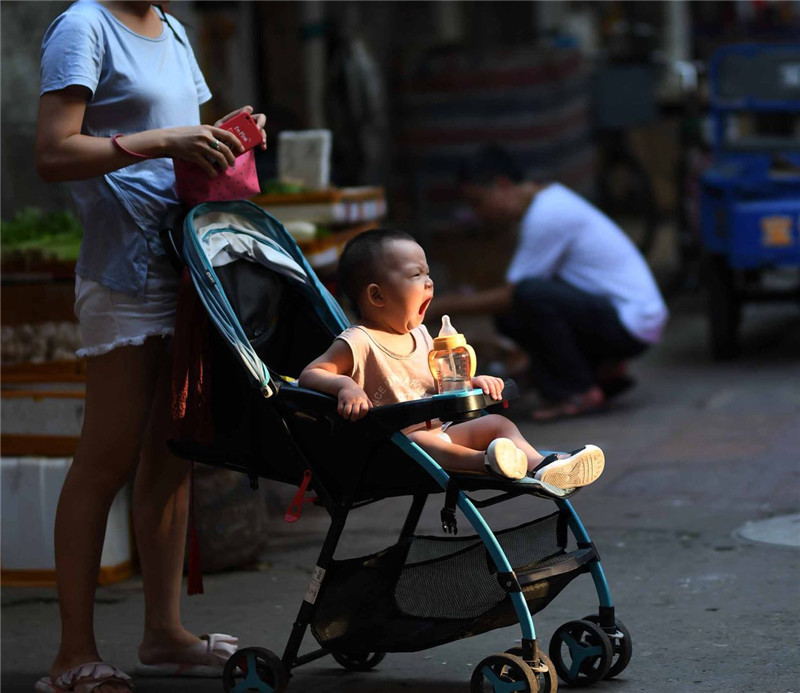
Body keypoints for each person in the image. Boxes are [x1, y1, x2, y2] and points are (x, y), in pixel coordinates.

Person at [34, 2, 267, 691]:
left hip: (184, 263)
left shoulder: (173, 30)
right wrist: (166, 141)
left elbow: (194, 139)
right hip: (124, 275)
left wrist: (232, 137)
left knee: (172, 454)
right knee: (105, 458)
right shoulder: (84, 26)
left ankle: (164, 633)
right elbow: (53, 153)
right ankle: (71, 654)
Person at [299, 229, 605, 488]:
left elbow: (439, 380)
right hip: (397, 446)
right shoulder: (358, 341)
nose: (429, 283)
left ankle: (541, 465)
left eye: (428, 273)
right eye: (416, 275)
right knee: (427, 444)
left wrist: (472, 381)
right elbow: (311, 373)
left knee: (496, 423)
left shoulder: (419, 334)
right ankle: (488, 462)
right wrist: (345, 387)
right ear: (377, 296)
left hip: (440, 429)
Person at [431, 144, 669, 421]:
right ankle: (593, 371)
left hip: (631, 323)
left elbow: (514, 293)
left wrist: (443, 306)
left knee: (528, 296)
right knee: (515, 313)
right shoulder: (549, 203)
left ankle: (579, 389)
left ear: (502, 185)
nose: (478, 213)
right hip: (628, 317)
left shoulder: (547, 214)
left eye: (478, 202)